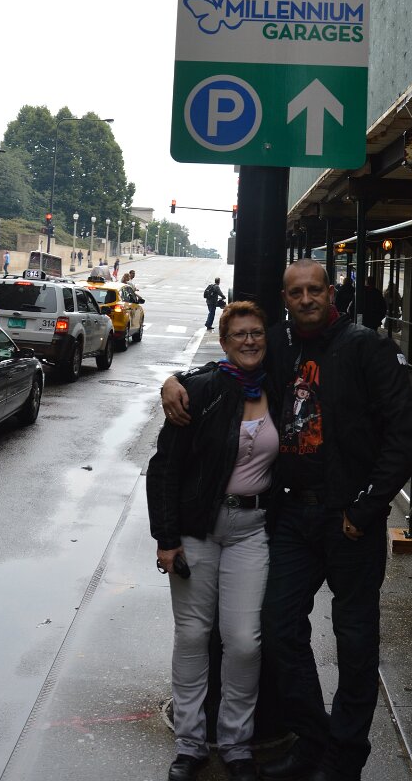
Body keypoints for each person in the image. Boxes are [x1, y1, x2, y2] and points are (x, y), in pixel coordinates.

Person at [163, 259, 412, 781]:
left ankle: (344, 756)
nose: (306, 299)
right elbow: (233, 365)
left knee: (355, 640)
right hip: (295, 514)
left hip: (349, 519)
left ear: (331, 292)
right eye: (296, 292)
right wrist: (176, 379)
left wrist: (367, 507)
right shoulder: (282, 345)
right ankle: (315, 740)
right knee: (277, 630)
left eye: (314, 290)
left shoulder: (365, 347)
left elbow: (404, 434)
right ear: (285, 299)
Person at [148, 301, 279, 781]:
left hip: (251, 530)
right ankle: (189, 743)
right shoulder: (202, 390)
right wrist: (166, 539)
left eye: (256, 332)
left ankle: (236, 743)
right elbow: (164, 466)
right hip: (197, 528)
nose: (249, 341)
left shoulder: (279, 388)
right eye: (239, 334)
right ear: (224, 343)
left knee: (243, 641)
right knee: (193, 635)